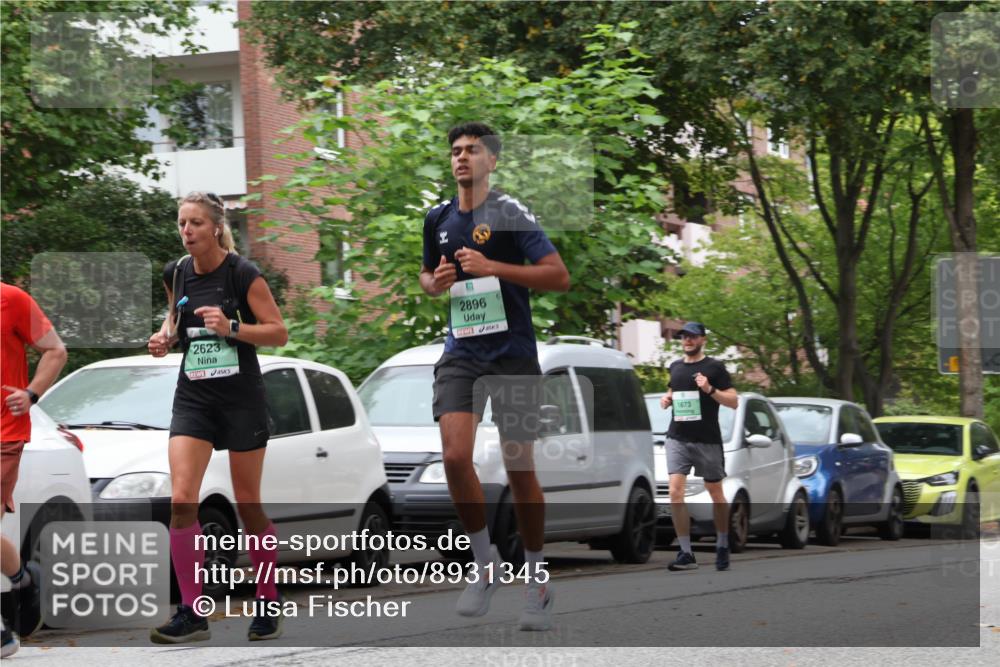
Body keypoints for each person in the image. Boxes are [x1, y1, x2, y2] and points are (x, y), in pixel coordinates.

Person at [420, 122, 570, 631]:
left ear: (492, 161)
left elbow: (558, 276)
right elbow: (426, 275)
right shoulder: (437, 218)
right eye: (456, 151)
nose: (461, 157)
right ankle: (485, 563)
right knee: (454, 456)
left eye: (472, 150)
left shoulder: (510, 213)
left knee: (519, 469)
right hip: (462, 354)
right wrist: (435, 283)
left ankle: (537, 580)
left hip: (511, 356)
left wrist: (494, 268)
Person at [147, 192, 288, 644]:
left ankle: (268, 600)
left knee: (248, 504)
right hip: (194, 398)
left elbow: (278, 333)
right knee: (182, 500)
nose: (186, 231)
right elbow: (175, 319)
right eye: (181, 223)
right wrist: (164, 337)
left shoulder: (242, 273)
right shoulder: (177, 272)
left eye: (195, 223)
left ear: (215, 228)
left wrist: (232, 328)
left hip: (240, 399)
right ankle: (192, 612)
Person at [1, 281, 68, 657]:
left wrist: (31, 393)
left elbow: (56, 350)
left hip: (4, 435)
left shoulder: (11, 299)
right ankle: (23, 580)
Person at [659, 322, 739, 572]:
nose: (687, 340)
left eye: (693, 336)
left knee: (715, 491)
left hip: (707, 439)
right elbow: (673, 390)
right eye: (684, 336)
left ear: (703, 339)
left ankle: (722, 543)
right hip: (677, 437)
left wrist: (709, 389)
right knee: (675, 492)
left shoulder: (714, 367)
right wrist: (667, 398)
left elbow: (733, 401)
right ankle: (686, 553)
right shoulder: (675, 367)